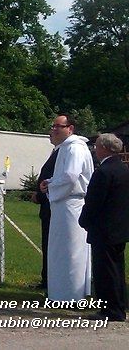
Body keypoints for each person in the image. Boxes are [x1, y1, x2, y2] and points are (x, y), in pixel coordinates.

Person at [40, 114, 93, 301]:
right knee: (59, 249)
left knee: (70, 250)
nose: (54, 129)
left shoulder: (75, 148)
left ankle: (71, 294)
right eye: (52, 126)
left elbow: (71, 176)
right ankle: (60, 292)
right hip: (64, 202)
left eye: (58, 126)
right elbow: (65, 175)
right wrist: (50, 182)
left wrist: (52, 186)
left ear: (70, 128)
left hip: (71, 203)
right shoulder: (64, 148)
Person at [78, 133, 129, 321]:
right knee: (116, 269)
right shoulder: (123, 169)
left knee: (104, 271)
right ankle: (118, 306)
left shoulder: (103, 172)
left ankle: (109, 310)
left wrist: (84, 220)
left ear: (105, 148)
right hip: (120, 228)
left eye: (97, 146)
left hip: (104, 229)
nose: (95, 149)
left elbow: (94, 201)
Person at [30, 146, 59, 289]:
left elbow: (55, 180)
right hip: (47, 207)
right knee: (46, 245)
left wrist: (40, 196)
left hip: (52, 207)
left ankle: (49, 281)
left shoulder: (65, 152)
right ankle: (46, 278)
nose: (52, 131)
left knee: (50, 245)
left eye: (56, 127)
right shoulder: (56, 151)